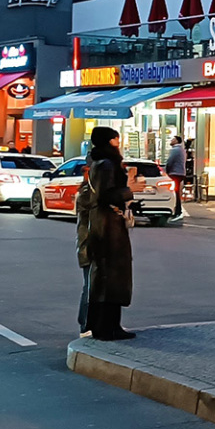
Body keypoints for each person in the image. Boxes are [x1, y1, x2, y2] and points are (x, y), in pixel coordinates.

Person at [76, 127, 135, 340]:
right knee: (108, 278)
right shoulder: (105, 165)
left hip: (108, 226)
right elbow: (104, 196)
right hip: (105, 228)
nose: (119, 142)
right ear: (110, 141)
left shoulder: (103, 163)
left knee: (110, 278)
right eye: (116, 139)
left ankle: (110, 325)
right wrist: (130, 190)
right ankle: (105, 327)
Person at [163, 135, 187, 214]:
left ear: (177, 141)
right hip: (181, 173)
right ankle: (177, 209)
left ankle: (177, 210)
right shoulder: (182, 150)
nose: (171, 140)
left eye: (173, 139)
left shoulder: (175, 150)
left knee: (174, 192)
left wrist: (166, 171)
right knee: (176, 192)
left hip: (175, 173)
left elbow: (170, 161)